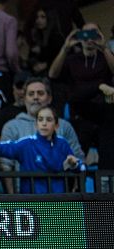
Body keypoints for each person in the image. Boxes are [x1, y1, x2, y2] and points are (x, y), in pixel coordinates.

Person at [48, 23, 114, 169]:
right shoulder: (73, 59)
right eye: (85, 34)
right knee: (77, 157)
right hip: (80, 113)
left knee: (108, 157)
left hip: (104, 113)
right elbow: (52, 74)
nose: (89, 38)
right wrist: (66, 47)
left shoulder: (105, 56)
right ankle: (76, 188)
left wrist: (104, 47)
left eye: (94, 33)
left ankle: (106, 189)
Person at [0, 105, 82, 193]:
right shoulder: (27, 144)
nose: (44, 123)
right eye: (40, 120)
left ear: (56, 126)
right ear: (36, 125)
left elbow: (79, 166)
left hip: (57, 201)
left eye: (49, 120)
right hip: (31, 201)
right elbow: (10, 147)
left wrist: (74, 164)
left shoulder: (62, 144)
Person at [25, 7, 64, 77]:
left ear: (50, 18)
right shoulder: (37, 36)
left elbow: (62, 57)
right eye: (37, 17)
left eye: (43, 17)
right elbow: (31, 57)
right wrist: (34, 64)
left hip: (56, 75)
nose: (38, 20)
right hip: (39, 75)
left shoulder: (57, 37)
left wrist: (46, 65)